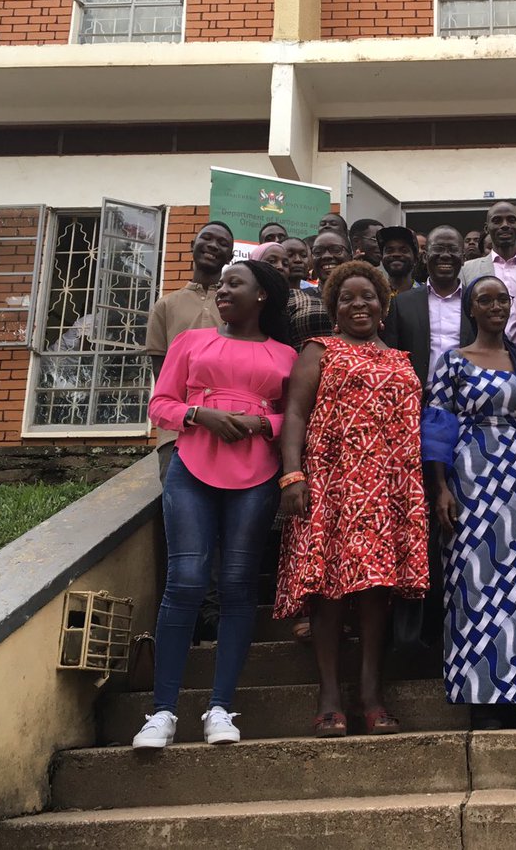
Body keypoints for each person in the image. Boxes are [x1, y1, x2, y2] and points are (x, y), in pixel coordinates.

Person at [133, 260, 296, 749]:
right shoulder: (190, 342)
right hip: (191, 467)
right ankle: (162, 712)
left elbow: (301, 415)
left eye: (233, 285)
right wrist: (201, 413)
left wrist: (263, 425)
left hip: (256, 474)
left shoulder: (286, 354)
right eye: (221, 285)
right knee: (185, 581)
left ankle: (221, 708)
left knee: (237, 583)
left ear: (261, 295)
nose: (222, 292)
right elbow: (160, 404)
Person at [274, 261, 429, 738]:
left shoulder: (402, 359)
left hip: (388, 488)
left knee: (376, 592)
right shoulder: (319, 350)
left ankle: (371, 697)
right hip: (331, 483)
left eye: (368, 298)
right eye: (347, 298)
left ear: (383, 307)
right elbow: (295, 413)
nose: (358, 304)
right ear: (333, 308)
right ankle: (328, 699)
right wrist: (292, 473)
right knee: (327, 591)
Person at [424, 275, 516, 730]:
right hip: (469, 474)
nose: (496, 306)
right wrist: (439, 488)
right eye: (485, 300)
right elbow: (437, 428)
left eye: (503, 299)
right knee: (471, 581)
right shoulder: (452, 362)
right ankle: (480, 695)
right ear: (471, 310)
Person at [145, 221, 234, 481]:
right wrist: (184, 414)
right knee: (179, 511)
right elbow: (160, 372)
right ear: (192, 245)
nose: (213, 246)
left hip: (229, 425)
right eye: (207, 238)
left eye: (223, 243)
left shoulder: (238, 304)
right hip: (177, 432)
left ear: (230, 256)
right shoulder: (165, 306)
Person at [383, 226, 474, 388]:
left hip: (466, 397)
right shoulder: (402, 303)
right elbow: (392, 355)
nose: (445, 255)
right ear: (425, 257)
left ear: (463, 258)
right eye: (438, 249)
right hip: (416, 398)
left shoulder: (475, 302)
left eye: (453, 249)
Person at [462, 201, 516, 347]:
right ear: (487, 228)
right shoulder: (466, 270)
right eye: (497, 220)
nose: (505, 225)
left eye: (511, 220)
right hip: (482, 357)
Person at [250, 241, 332, 353]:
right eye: (272, 261)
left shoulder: (303, 300)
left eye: (285, 264)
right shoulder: (244, 302)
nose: (280, 267)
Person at [379, 225, 423, 299]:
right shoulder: (375, 294)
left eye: (404, 250)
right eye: (389, 250)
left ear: (416, 258)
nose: (396, 254)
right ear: (381, 257)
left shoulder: (427, 294)